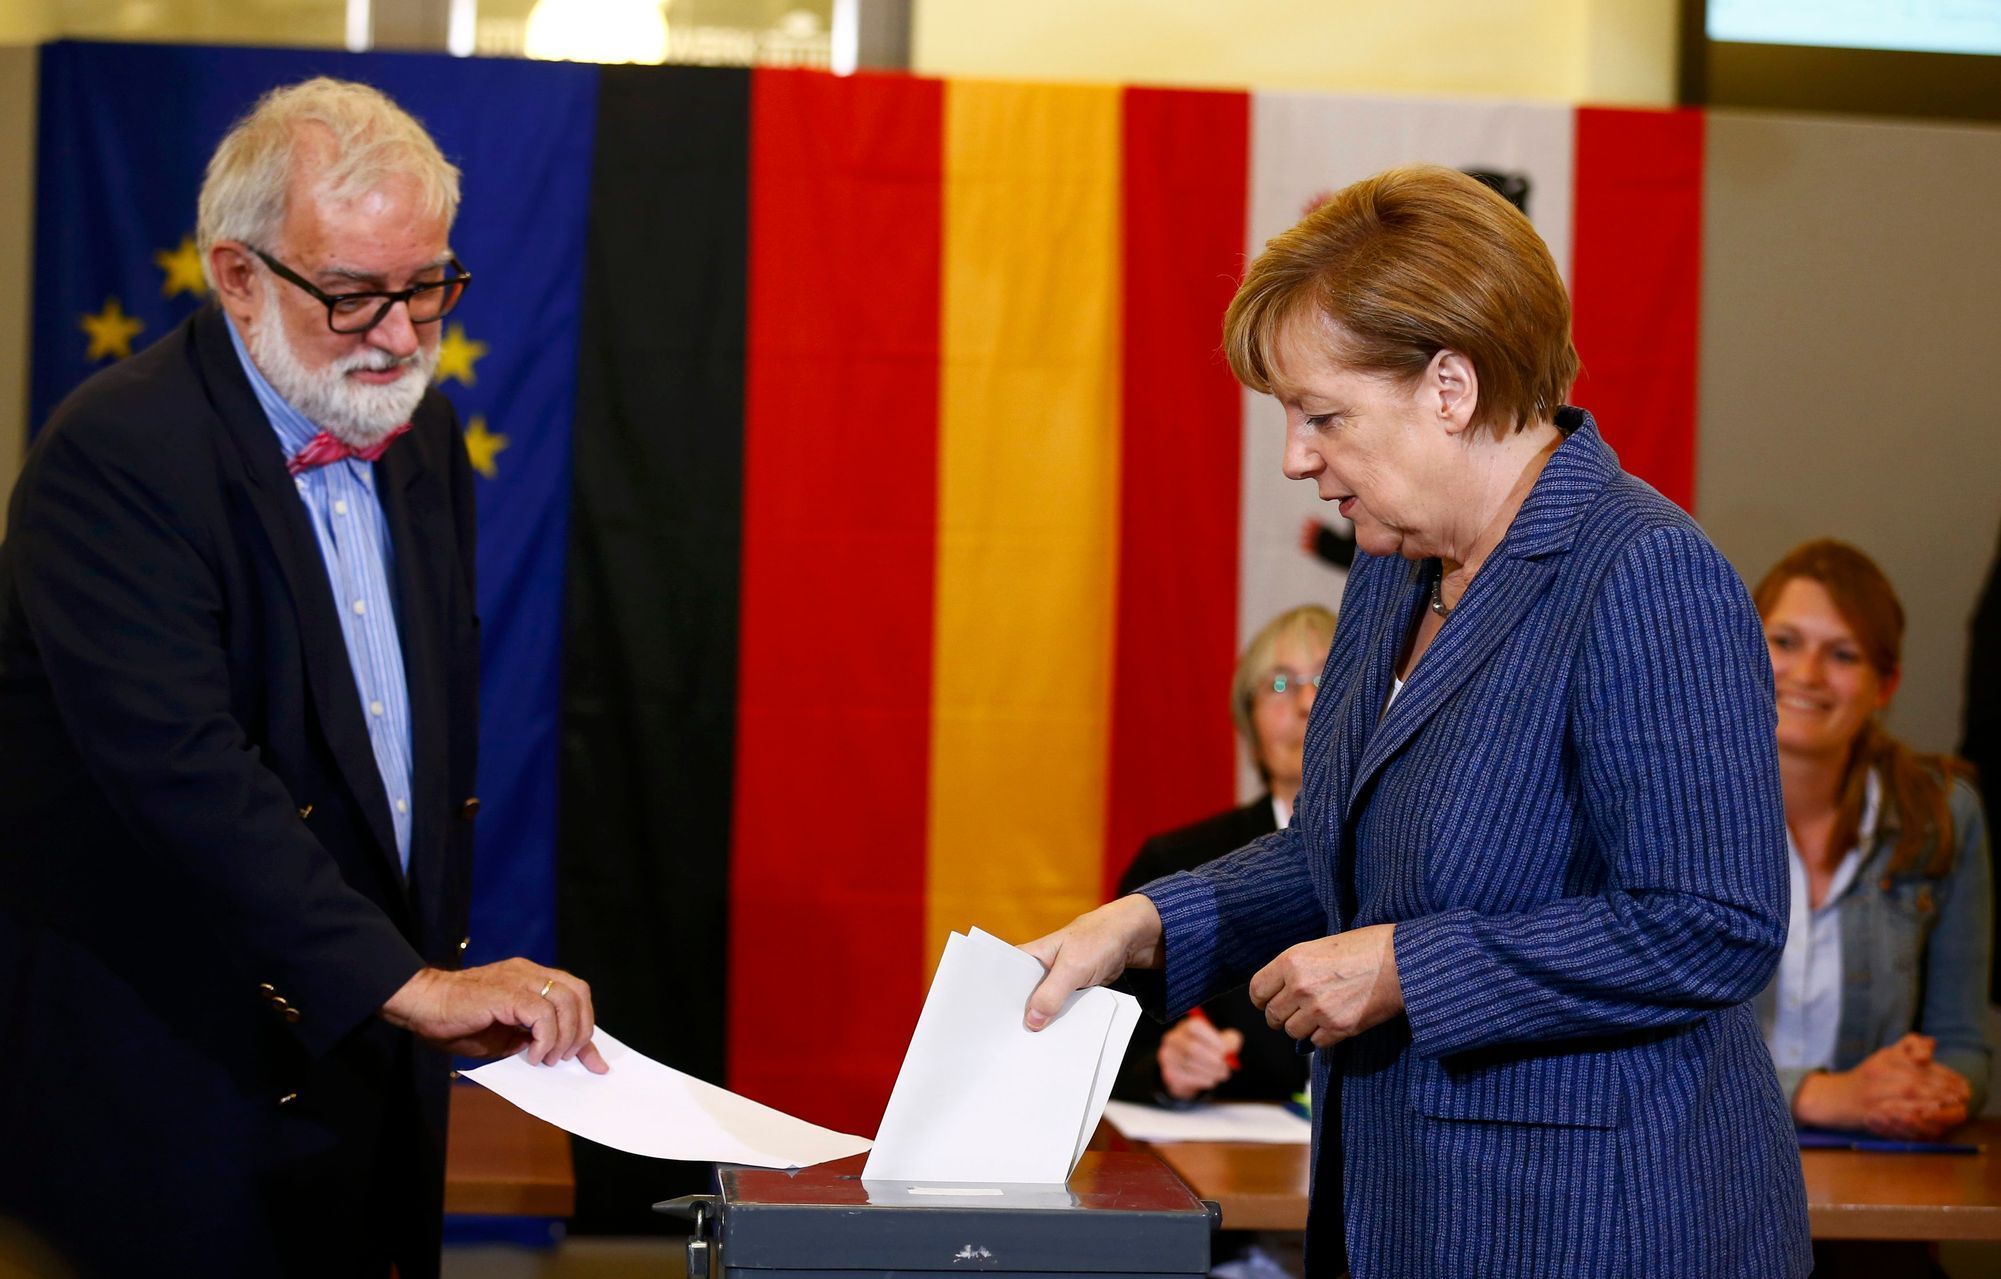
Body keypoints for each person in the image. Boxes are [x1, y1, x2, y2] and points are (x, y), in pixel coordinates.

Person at [1022, 165, 1810, 1278]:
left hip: (1600, 1230)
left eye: (1322, 414)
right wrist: (1147, 921)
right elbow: (1346, 853)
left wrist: (1411, 968)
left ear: (1450, 385)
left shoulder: (1645, 568)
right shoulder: (1393, 574)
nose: (1297, 455)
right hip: (1405, 1207)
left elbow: (1712, 919)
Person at [0, 79, 603, 1279]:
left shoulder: (419, 435)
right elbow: (185, 778)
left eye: (427, 286)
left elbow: (411, 758)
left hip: (366, 1044)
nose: (398, 336)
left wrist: (409, 982)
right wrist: (403, 981)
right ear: (237, 277)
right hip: (173, 1066)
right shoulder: (117, 454)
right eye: (352, 296)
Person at [1752, 540, 1991, 1139]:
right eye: (1784, 642)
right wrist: (1819, 1095)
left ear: (1885, 685)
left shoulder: (1944, 815)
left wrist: (1923, 1090)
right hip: (1704, 1184)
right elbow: (1634, 1051)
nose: (1807, 674)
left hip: (1881, 1184)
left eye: (1842, 654)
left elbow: (1964, 1045)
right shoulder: (1669, 803)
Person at [1114, 604, 1333, 1106]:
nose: (1304, 702)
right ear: (1250, 729)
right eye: (1279, 685)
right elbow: (1110, 1049)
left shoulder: (1418, 861)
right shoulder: (1177, 863)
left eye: (1325, 677)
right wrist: (1165, 1065)